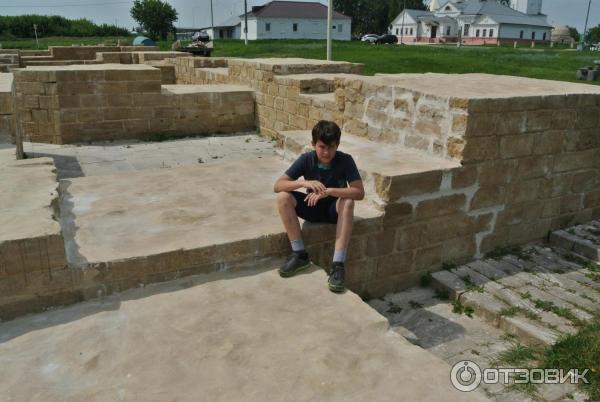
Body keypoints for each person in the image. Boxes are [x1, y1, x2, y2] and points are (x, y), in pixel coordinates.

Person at [273, 120, 365, 292]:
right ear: (313, 144)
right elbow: (278, 185)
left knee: (348, 201)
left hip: (333, 210)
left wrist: (330, 191)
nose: (326, 152)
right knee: (283, 197)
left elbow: (359, 192)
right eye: (322, 146)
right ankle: (300, 254)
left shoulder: (345, 160)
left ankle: (338, 265)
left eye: (331, 147)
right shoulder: (306, 159)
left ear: (337, 145)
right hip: (311, 207)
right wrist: (305, 183)